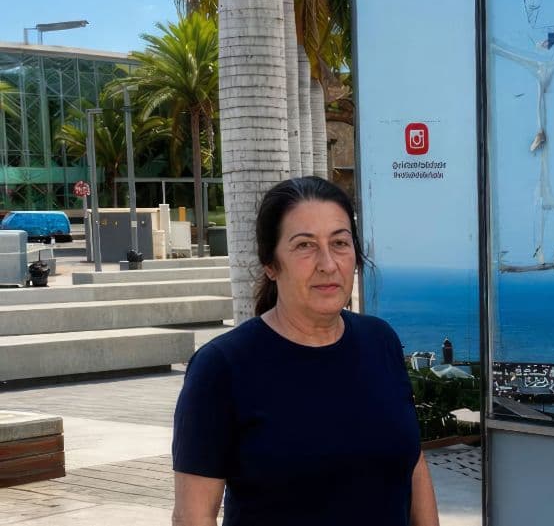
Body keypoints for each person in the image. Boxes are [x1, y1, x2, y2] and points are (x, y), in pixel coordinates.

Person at [172, 176, 439, 525]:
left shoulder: (380, 341)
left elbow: (413, 463)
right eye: (304, 246)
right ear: (270, 264)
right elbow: (193, 517)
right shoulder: (223, 367)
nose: (328, 264)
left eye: (340, 243)